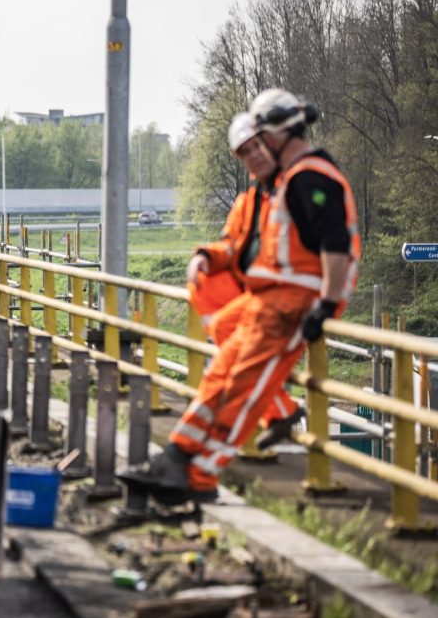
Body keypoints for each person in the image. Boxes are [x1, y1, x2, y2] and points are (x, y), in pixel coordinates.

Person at [119, 88, 360, 505]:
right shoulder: (283, 184)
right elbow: (246, 246)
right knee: (221, 377)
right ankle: (177, 454)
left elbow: (335, 244)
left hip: (291, 304)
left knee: (243, 392)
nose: (256, 151)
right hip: (269, 300)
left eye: (260, 140)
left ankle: (198, 476)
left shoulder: (309, 178)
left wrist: (323, 305)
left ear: (279, 134)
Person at [186, 112, 302, 451]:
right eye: (245, 151)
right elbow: (230, 245)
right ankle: (276, 404)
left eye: (257, 146)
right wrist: (206, 255)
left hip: (284, 302)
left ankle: (277, 407)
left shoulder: (292, 192)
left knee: (224, 331)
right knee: (202, 283)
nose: (253, 155)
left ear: (272, 144)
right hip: (255, 297)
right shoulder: (248, 201)